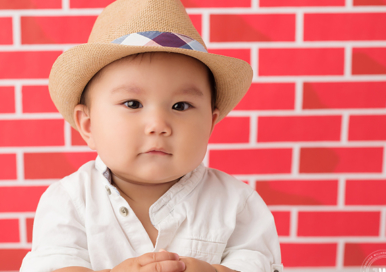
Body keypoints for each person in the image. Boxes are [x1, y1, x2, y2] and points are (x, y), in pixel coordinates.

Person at [20, 0, 283, 271]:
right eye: (133, 104)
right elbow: (54, 264)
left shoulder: (237, 204)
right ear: (88, 125)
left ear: (210, 123)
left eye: (181, 106)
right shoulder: (69, 201)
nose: (158, 125)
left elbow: (260, 263)